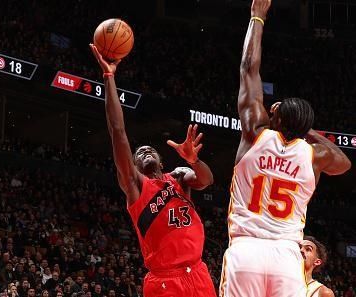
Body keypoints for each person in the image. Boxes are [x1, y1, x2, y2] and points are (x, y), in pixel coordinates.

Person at [219, 0, 352, 296]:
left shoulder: (255, 133)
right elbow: (344, 163)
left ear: (274, 117)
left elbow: (247, 69)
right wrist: (309, 132)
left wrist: (257, 18)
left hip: (246, 250)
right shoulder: (315, 155)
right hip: (286, 259)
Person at [90, 44, 217, 297]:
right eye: (139, 153)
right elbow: (118, 132)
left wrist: (194, 160)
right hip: (164, 281)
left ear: (160, 161)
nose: (144, 152)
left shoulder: (179, 177)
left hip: (199, 272)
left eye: (150, 150)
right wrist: (109, 77)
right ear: (134, 166)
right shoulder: (136, 187)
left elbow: (207, 180)